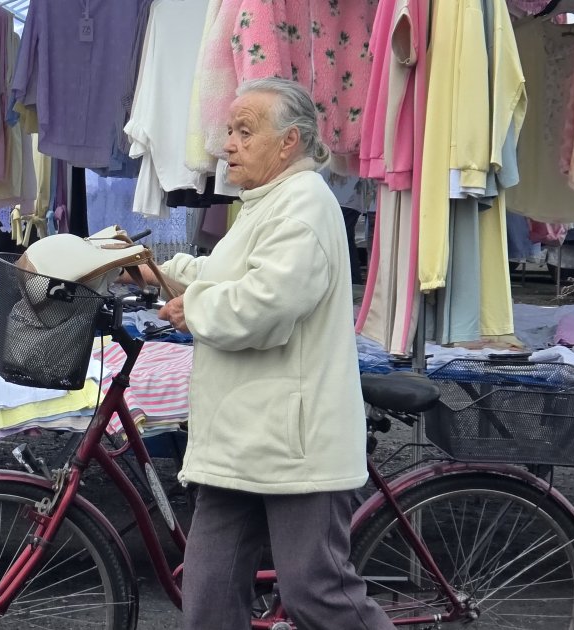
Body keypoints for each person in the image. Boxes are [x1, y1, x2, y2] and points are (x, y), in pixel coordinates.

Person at [136, 78, 393, 630]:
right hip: (244, 439)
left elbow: (265, 307)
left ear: (289, 142)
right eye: (229, 130)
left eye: (244, 131)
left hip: (295, 447)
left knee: (317, 595)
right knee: (207, 599)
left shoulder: (304, 204)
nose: (227, 143)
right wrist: (158, 272)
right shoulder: (266, 202)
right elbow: (227, 275)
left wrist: (193, 308)